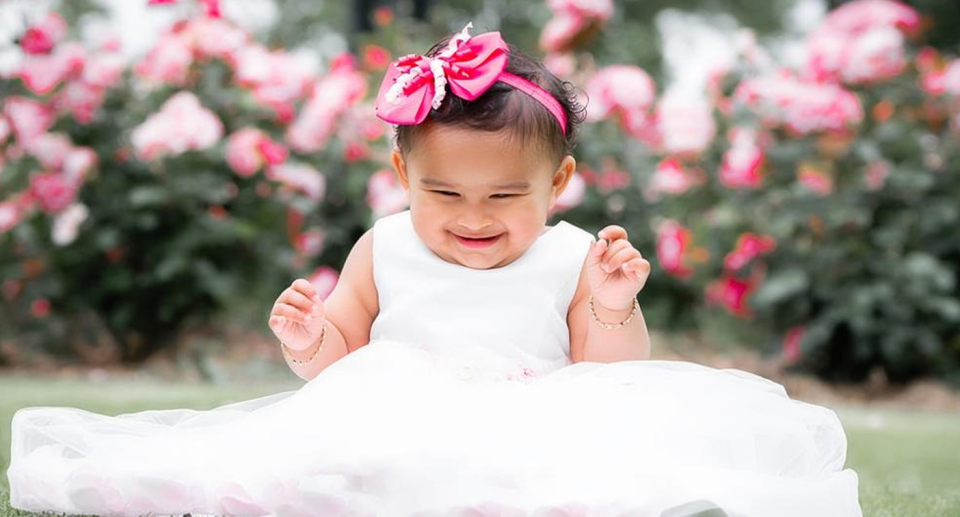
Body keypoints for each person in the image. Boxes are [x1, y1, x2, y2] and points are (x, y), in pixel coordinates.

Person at [6, 23, 862, 517]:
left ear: (559, 183)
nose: (474, 217)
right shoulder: (384, 243)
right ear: (403, 172)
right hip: (392, 405)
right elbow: (340, 358)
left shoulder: (570, 254)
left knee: (566, 482)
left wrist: (609, 304)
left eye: (505, 195)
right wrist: (311, 338)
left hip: (533, 414)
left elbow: (609, 381)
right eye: (444, 190)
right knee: (319, 465)